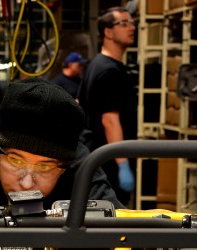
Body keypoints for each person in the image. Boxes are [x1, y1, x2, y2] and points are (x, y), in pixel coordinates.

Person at [0, 78, 123, 211]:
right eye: (16, 160)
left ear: (64, 167)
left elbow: (117, 226)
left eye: (44, 167)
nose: (26, 184)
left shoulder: (78, 164)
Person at [78, 6, 137, 207]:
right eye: (124, 23)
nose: (131, 27)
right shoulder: (110, 71)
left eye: (132, 22)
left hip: (97, 156)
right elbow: (110, 120)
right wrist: (123, 165)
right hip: (109, 161)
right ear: (108, 32)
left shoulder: (96, 64)